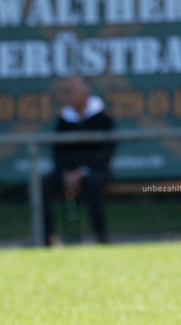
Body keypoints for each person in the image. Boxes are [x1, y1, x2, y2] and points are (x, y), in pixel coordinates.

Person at [41, 77, 115, 246]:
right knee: (44, 184)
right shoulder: (64, 120)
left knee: (92, 183)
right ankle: (47, 237)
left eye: (71, 92)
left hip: (95, 171)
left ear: (85, 94)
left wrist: (82, 171)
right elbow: (58, 152)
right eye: (66, 92)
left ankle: (101, 236)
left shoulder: (102, 119)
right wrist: (66, 173)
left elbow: (106, 152)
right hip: (67, 172)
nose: (67, 96)